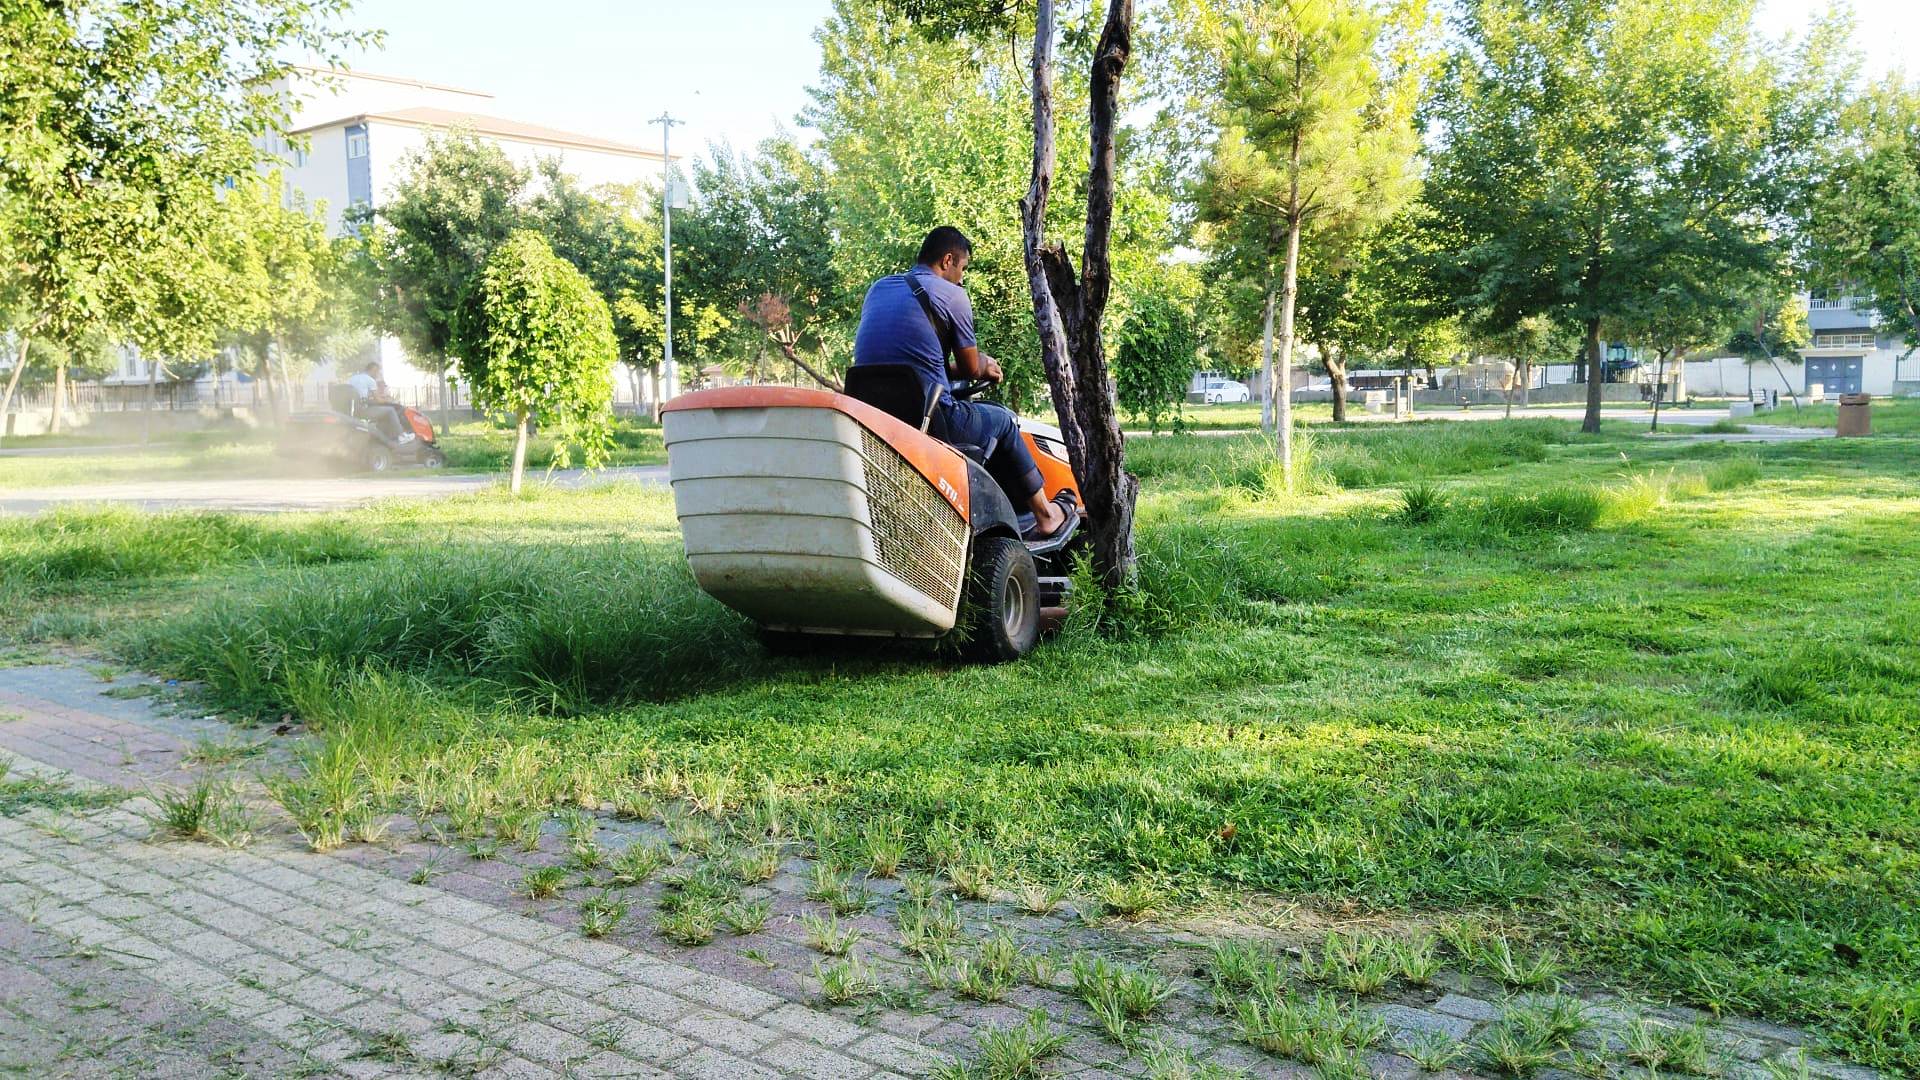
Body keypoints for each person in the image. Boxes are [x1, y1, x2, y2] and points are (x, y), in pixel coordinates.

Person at [851, 226, 1067, 538]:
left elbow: (914, 365)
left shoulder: (878, 289)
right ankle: (1046, 515)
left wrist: (957, 369)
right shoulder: (952, 295)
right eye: (962, 268)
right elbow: (970, 367)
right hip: (933, 422)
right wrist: (986, 365)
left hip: (877, 422)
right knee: (1004, 421)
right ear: (947, 260)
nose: (962, 278)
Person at [345, 361, 404, 441]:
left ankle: (382, 435)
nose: (377, 374)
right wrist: (389, 400)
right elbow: (379, 400)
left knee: (381, 411)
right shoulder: (370, 380)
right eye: (377, 372)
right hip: (362, 411)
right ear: (373, 370)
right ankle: (401, 436)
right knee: (390, 410)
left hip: (351, 410)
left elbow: (360, 396)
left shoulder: (352, 379)